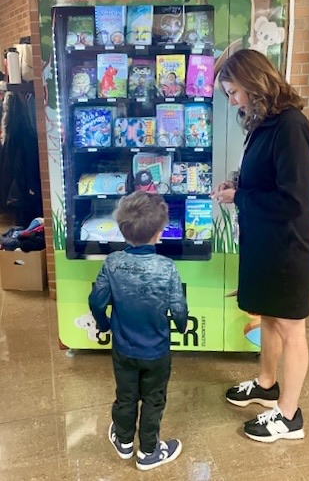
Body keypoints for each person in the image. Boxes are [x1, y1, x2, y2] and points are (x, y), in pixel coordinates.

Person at [212, 49, 309, 443]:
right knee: (270, 318)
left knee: (291, 328)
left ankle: (289, 416)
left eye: (234, 91)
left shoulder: (291, 125)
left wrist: (238, 198)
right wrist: (238, 185)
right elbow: (266, 176)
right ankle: (267, 384)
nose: (232, 101)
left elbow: (293, 200)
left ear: (255, 83)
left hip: (288, 247)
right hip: (265, 240)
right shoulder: (264, 122)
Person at [89, 191, 188, 470]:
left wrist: (104, 325)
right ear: (159, 232)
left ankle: (123, 442)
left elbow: (97, 301)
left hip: (123, 348)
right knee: (154, 399)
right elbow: (178, 308)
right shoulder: (167, 268)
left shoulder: (113, 263)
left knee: (126, 394)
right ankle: (148, 452)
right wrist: (179, 327)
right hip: (157, 350)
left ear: (122, 230)